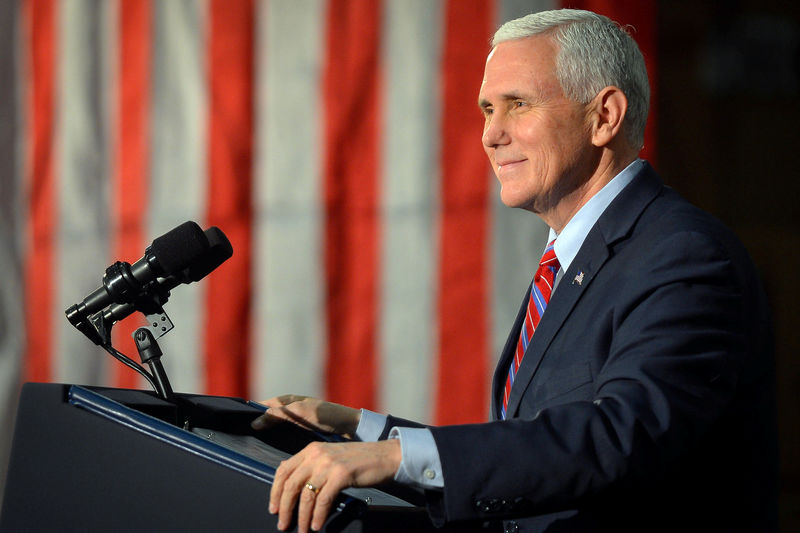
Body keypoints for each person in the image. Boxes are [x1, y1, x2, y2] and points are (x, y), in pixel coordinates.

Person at [251, 9, 778, 533]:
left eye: (517, 105)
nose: (490, 134)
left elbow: (621, 434)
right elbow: (531, 450)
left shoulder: (682, 254)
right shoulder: (576, 257)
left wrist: (391, 458)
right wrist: (360, 431)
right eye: (486, 110)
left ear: (604, 117)